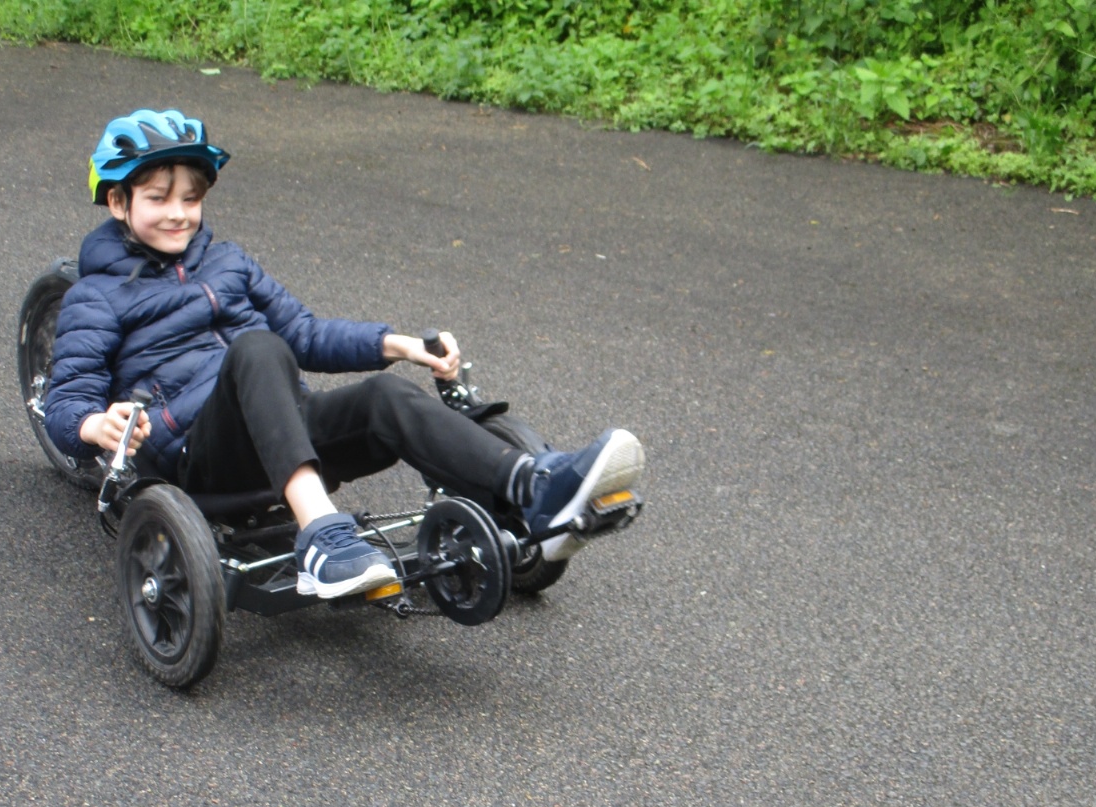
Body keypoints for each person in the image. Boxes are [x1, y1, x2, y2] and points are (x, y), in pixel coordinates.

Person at [44, 109, 645, 599]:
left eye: (190, 198)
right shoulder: (95, 298)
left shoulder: (228, 262)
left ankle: (535, 488)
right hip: (198, 456)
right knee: (257, 348)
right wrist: (97, 425)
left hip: (284, 433)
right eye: (158, 198)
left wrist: (398, 345)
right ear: (119, 202)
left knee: (383, 397)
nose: (178, 214)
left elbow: (305, 333)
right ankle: (323, 539)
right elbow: (65, 403)